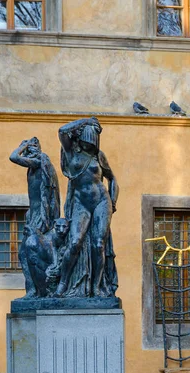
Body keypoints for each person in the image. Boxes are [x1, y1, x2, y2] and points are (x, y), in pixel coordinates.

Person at [55, 117, 118, 298]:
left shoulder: (99, 156)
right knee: (74, 242)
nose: (92, 143)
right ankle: (63, 284)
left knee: (99, 245)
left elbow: (112, 178)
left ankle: (96, 288)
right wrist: (86, 121)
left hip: (101, 201)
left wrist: (113, 202)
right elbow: (62, 131)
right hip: (81, 203)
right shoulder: (71, 153)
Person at [9, 137, 60, 297]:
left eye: (30, 148)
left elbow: (13, 157)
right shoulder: (33, 167)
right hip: (33, 215)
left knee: (29, 252)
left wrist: (22, 146)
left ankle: (39, 290)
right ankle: (33, 290)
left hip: (40, 217)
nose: (27, 152)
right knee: (24, 253)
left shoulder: (39, 161)